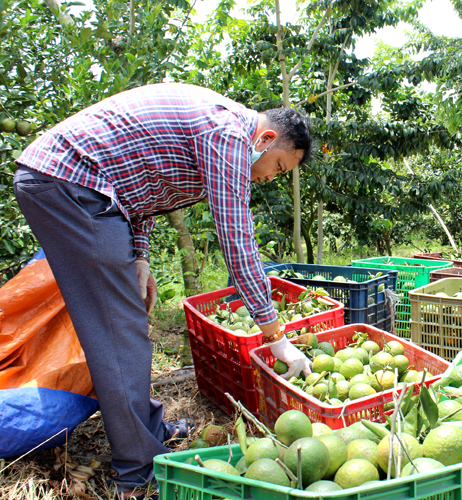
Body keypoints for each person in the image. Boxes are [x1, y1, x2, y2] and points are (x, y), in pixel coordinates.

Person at [13, 83, 313, 499]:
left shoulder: (218, 127)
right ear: (264, 140)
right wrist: (273, 333)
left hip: (86, 187)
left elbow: (145, 186)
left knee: (126, 323)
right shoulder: (228, 134)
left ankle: (148, 432)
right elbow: (236, 237)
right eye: (278, 167)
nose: (270, 178)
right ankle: (137, 473)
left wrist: (139, 256)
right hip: (70, 184)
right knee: (117, 331)